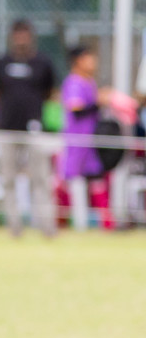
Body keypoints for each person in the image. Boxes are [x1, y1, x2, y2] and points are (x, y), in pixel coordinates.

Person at [0, 20, 57, 237]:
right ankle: (14, 227)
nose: (21, 39)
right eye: (17, 34)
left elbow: (50, 92)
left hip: (35, 129)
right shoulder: (0, 63)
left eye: (25, 34)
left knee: (41, 179)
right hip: (7, 129)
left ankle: (47, 227)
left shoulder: (43, 63)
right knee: (7, 179)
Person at [58, 45, 107, 229]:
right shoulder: (74, 82)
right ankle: (80, 224)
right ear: (78, 61)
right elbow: (76, 110)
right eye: (89, 58)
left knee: (96, 178)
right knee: (76, 181)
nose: (93, 62)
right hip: (77, 140)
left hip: (91, 141)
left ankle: (106, 224)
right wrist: (99, 102)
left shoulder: (89, 82)